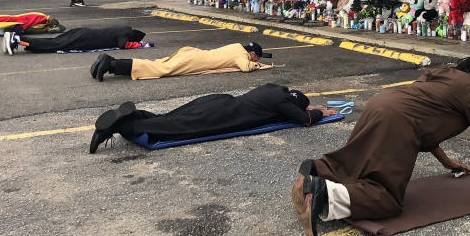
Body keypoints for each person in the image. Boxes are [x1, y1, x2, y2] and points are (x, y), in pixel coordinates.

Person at [291, 57, 470, 236]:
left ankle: (316, 170)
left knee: (355, 161)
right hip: (399, 121)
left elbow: (427, 122)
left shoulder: (441, 76)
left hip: (380, 105)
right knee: (386, 198)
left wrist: (446, 162)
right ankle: (324, 194)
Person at [88, 85, 339, 153]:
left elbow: (293, 107)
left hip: (218, 101)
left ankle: (134, 115)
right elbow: (304, 120)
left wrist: (306, 106)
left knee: (172, 117)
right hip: (224, 115)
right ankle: (123, 124)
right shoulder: (284, 103)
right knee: (177, 127)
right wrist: (319, 113)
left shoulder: (274, 89)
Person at [89, 40, 272, 81]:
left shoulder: (236, 46)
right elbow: (246, 67)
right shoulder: (242, 55)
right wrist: (257, 65)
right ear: (253, 53)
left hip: (193, 55)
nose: (256, 59)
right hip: (194, 61)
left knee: (157, 64)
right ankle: (110, 64)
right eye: (257, 56)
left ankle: (111, 64)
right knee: (158, 70)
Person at [3, 25, 147, 55]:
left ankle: (22, 40)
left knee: (55, 41)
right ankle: (18, 39)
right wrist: (136, 45)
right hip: (85, 39)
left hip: (83, 31)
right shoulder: (126, 33)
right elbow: (123, 45)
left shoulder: (125, 28)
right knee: (55, 45)